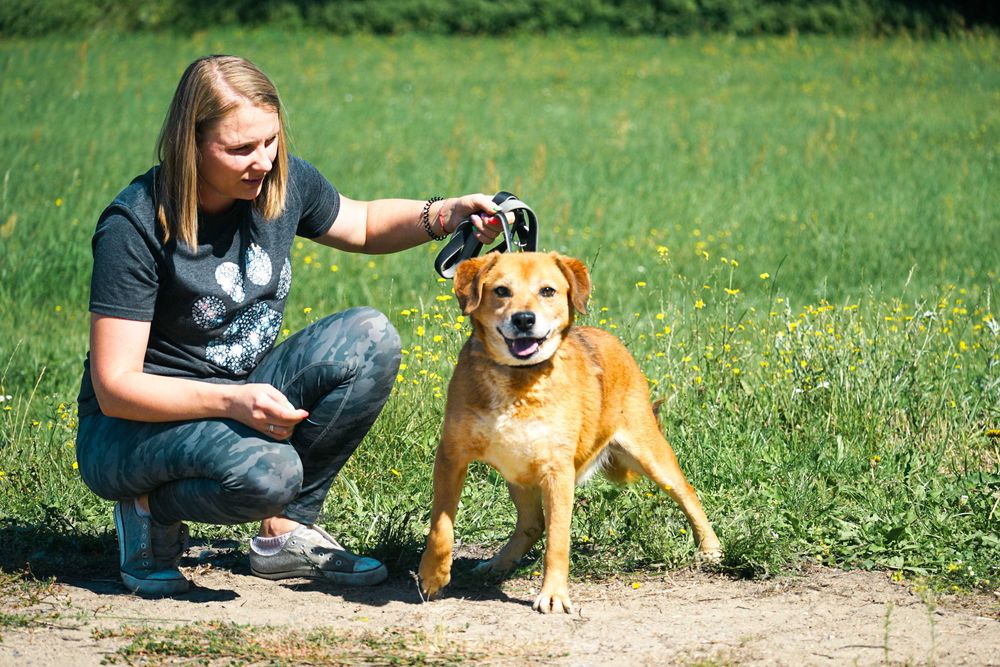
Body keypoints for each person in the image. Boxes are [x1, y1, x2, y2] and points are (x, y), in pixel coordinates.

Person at [74, 54, 503, 596]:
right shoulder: (134, 224)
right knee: (270, 474)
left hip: (236, 394)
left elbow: (365, 224)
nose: (263, 160)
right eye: (239, 149)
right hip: (131, 430)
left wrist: (447, 213)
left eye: (270, 141)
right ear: (190, 143)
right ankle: (145, 510)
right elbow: (116, 389)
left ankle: (285, 533)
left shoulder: (282, 182)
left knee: (370, 337)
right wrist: (233, 403)